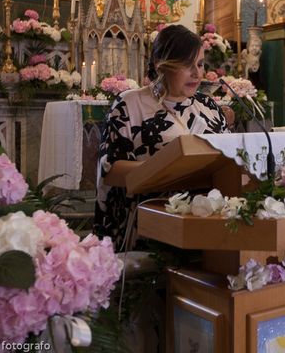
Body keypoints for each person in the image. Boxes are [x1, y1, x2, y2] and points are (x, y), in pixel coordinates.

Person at [94, 24, 228, 248]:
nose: (197, 73)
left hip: (208, 220)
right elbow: (110, 171)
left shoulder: (209, 106)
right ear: (160, 64)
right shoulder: (129, 104)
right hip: (149, 222)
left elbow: (228, 159)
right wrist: (170, 167)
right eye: (187, 65)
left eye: (200, 64)